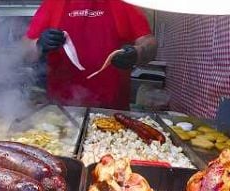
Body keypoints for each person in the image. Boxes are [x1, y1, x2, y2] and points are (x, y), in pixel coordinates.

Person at [24, 0, 157, 110]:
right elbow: (24, 52)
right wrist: (39, 43)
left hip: (112, 111)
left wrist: (138, 52)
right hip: (61, 112)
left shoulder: (124, 3)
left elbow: (149, 43)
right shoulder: (53, 4)